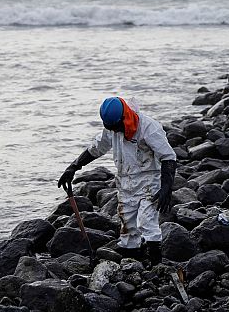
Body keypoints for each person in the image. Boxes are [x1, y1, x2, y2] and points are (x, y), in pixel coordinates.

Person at [57, 97, 176, 265]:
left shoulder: (149, 128)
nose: (115, 131)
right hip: (125, 181)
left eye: (116, 127)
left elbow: (168, 157)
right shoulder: (112, 128)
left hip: (149, 179)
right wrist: (73, 167)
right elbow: (96, 148)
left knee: (147, 221)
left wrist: (166, 188)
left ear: (125, 118)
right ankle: (132, 260)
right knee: (127, 224)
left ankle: (156, 265)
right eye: (110, 128)